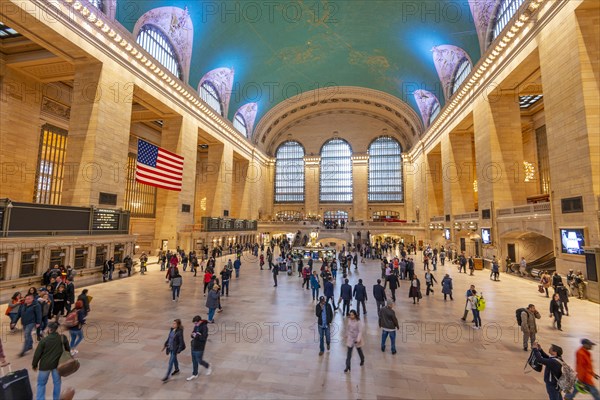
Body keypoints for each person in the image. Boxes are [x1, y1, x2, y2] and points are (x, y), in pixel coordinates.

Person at [32, 322, 69, 400]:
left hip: (45, 366)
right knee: (57, 383)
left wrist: (34, 365)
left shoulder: (44, 341)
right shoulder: (63, 338)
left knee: (41, 384)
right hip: (57, 365)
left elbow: (37, 355)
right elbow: (67, 350)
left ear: (49, 329)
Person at [187, 315, 212, 380]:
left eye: (196, 323)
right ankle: (195, 374)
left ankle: (208, 366)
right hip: (194, 345)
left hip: (200, 347)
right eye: (194, 323)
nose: (195, 325)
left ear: (200, 321)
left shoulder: (204, 327)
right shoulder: (196, 326)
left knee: (199, 360)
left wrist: (197, 335)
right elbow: (193, 333)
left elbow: (204, 338)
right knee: (194, 361)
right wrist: (192, 335)